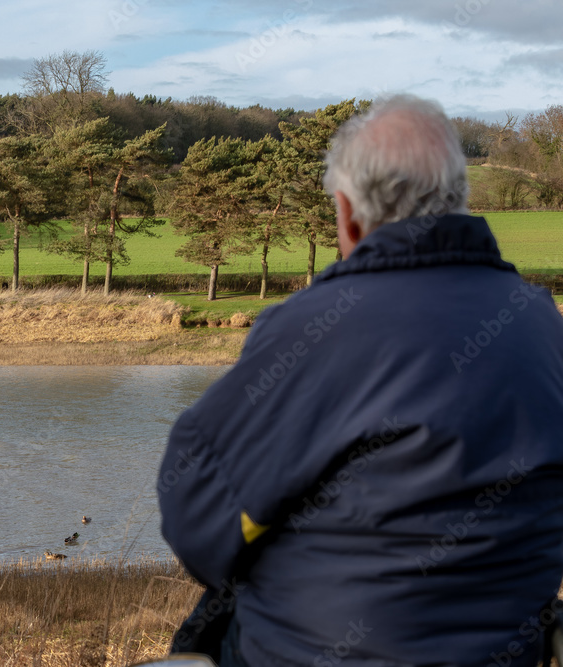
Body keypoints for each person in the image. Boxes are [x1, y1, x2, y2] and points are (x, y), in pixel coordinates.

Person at [158, 95, 563, 666]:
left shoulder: (311, 329)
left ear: (348, 214)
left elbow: (197, 515)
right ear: (458, 200)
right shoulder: (541, 323)